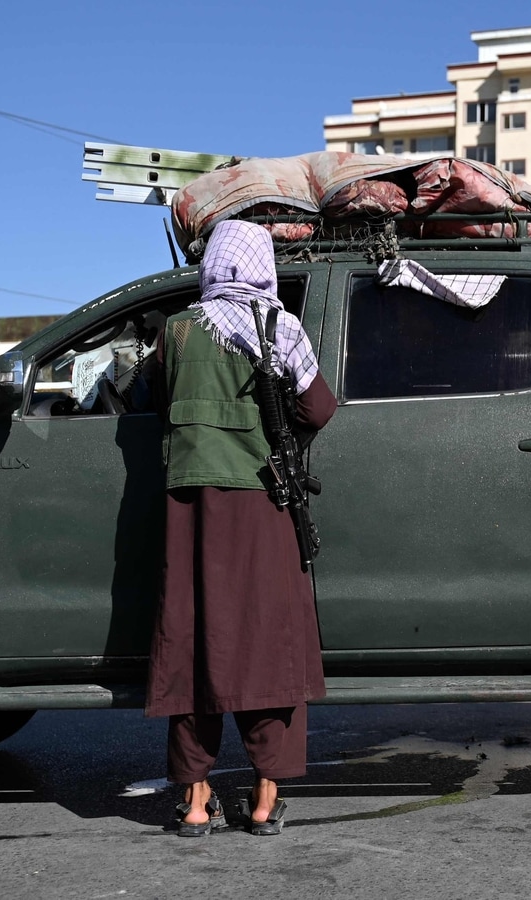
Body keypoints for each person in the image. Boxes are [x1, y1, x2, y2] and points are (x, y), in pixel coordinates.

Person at [145, 219, 336, 837]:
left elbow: (152, 401)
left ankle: (197, 802)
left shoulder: (174, 332)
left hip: (190, 513)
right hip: (262, 506)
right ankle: (262, 801)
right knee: (267, 643)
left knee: (195, 640)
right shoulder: (280, 327)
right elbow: (319, 407)